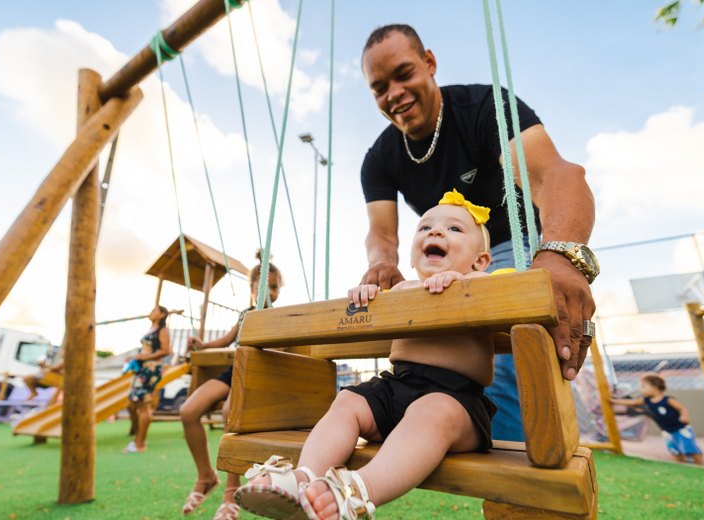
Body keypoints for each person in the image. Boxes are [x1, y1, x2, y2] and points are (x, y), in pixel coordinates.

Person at [358, 24, 598, 441]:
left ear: (429, 63)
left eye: (403, 74)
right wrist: (381, 265)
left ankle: (513, 478)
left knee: (506, 363)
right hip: (449, 255)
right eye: (379, 88)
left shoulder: (485, 106)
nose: (393, 93)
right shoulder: (380, 157)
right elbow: (382, 234)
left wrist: (561, 255)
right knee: (428, 355)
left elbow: (555, 176)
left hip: (519, 245)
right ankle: (432, 433)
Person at [235, 191, 502, 519]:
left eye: (455, 229)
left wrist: (465, 282)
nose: (435, 232)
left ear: (480, 260)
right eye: (425, 227)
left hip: (457, 401)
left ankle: (357, 492)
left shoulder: (480, 280)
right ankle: (304, 477)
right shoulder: (403, 290)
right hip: (396, 388)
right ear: (412, 257)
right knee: (348, 401)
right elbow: (372, 311)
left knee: (433, 410)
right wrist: (369, 296)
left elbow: (500, 293)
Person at [180, 252, 283, 519]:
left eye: (274, 287)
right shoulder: (244, 315)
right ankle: (205, 476)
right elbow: (226, 340)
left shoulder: (280, 316)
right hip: (234, 371)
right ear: (251, 289)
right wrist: (202, 345)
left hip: (258, 374)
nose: (269, 292)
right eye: (263, 287)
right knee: (188, 411)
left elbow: (283, 347)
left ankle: (231, 490)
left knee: (229, 412)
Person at [611, 374, 704, 465]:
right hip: (667, 432)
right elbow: (633, 402)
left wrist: (684, 416)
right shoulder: (647, 400)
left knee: (690, 449)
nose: (640, 389)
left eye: (643, 386)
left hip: (681, 430)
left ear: (655, 387)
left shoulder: (668, 400)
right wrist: (614, 401)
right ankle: (682, 465)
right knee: (675, 451)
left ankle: (700, 464)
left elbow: (682, 409)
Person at [123, 305, 171, 453]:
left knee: (145, 403)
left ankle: (140, 443)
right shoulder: (151, 329)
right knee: (132, 403)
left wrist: (144, 357)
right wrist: (136, 356)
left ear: (162, 314)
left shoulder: (163, 330)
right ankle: (139, 437)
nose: (150, 312)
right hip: (142, 369)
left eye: (154, 310)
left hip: (151, 369)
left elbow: (165, 350)